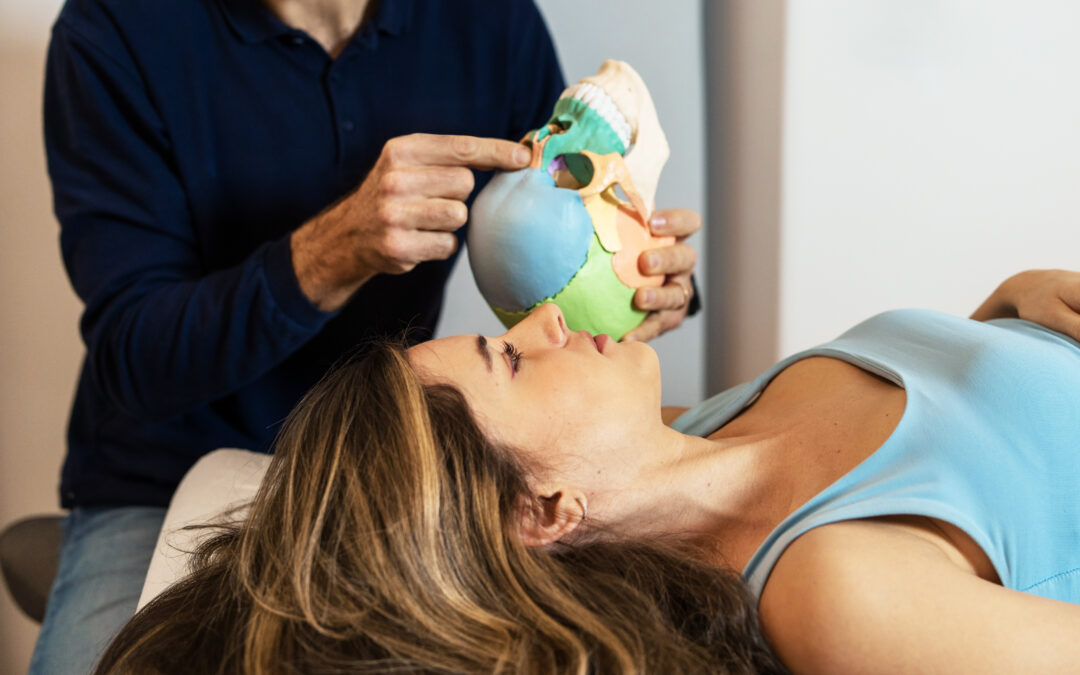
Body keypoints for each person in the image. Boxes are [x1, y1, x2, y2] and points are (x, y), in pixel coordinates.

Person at [33, 0, 702, 671]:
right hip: (160, 473)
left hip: (402, 477)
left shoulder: (491, 20)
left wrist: (637, 282)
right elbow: (135, 355)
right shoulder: (114, 29)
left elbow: (555, 230)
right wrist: (332, 250)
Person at [93, 269, 1080, 673]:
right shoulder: (837, 592)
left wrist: (1003, 310)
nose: (545, 318)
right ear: (543, 509)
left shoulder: (710, 426)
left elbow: (1001, 461)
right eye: (510, 357)